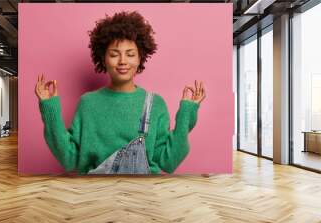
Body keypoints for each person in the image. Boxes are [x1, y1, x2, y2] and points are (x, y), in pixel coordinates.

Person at [35, 11, 206, 175]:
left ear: (140, 58)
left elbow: (168, 162)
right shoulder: (87, 103)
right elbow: (69, 159)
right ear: (103, 58)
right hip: (94, 194)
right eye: (114, 54)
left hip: (142, 196)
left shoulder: (155, 104)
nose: (123, 61)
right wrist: (51, 111)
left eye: (130, 54)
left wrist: (186, 115)